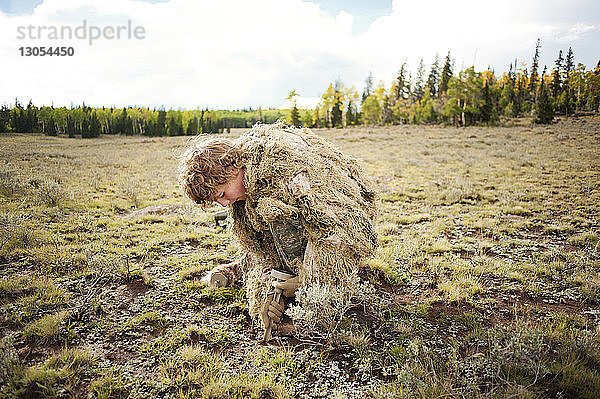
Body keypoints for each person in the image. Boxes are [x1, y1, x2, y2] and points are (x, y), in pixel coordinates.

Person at [178, 122, 377, 338]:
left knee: (275, 212)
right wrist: (266, 295)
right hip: (301, 233)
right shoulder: (244, 190)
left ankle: (302, 281)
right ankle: (249, 272)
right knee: (265, 224)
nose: (225, 205)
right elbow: (257, 248)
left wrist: (307, 281)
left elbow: (345, 232)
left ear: (231, 169)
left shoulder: (289, 175)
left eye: (222, 195)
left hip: (336, 229)